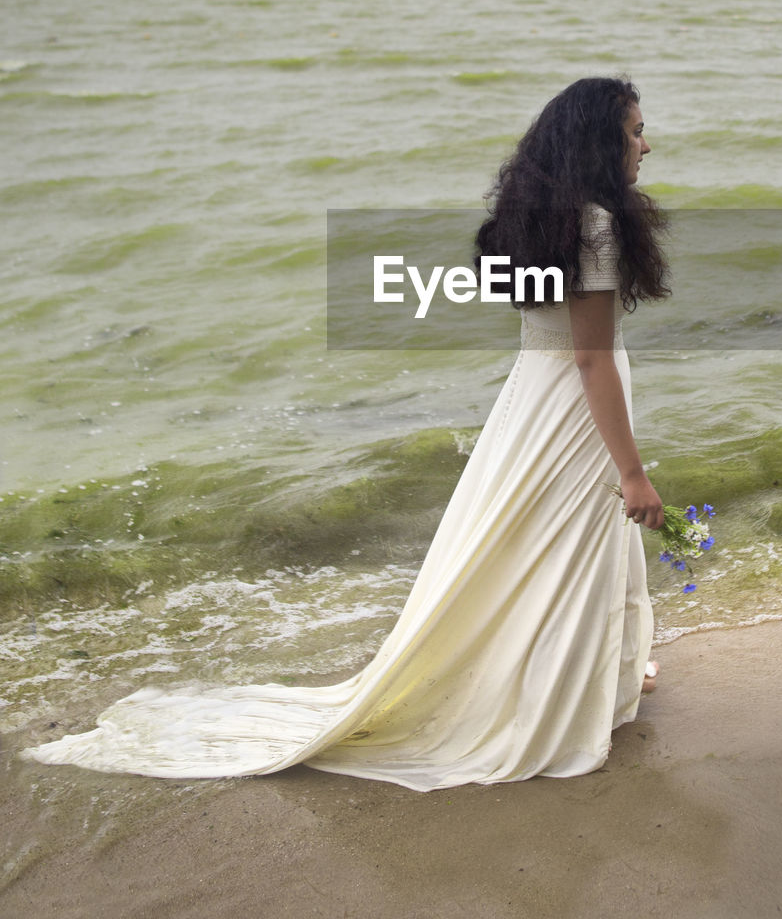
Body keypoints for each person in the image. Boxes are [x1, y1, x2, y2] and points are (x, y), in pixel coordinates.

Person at [23, 76, 670, 790]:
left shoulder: (551, 215)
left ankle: (602, 670)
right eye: (634, 131)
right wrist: (633, 470)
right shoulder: (597, 225)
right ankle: (558, 692)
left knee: (548, 548)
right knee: (567, 546)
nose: (646, 143)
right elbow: (590, 356)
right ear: (599, 144)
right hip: (572, 413)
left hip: (536, 403)